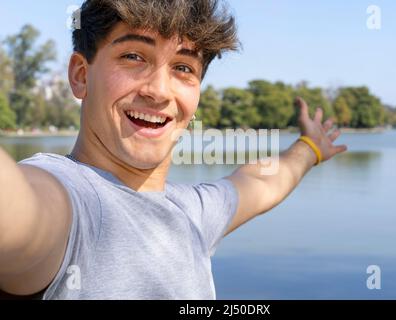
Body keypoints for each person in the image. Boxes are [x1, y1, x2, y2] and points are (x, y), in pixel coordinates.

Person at [0, 0, 347, 299]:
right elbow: (19, 210)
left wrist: (309, 148)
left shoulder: (193, 214)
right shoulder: (65, 200)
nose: (160, 91)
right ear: (80, 75)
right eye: (134, 56)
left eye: (183, 67)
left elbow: (264, 180)